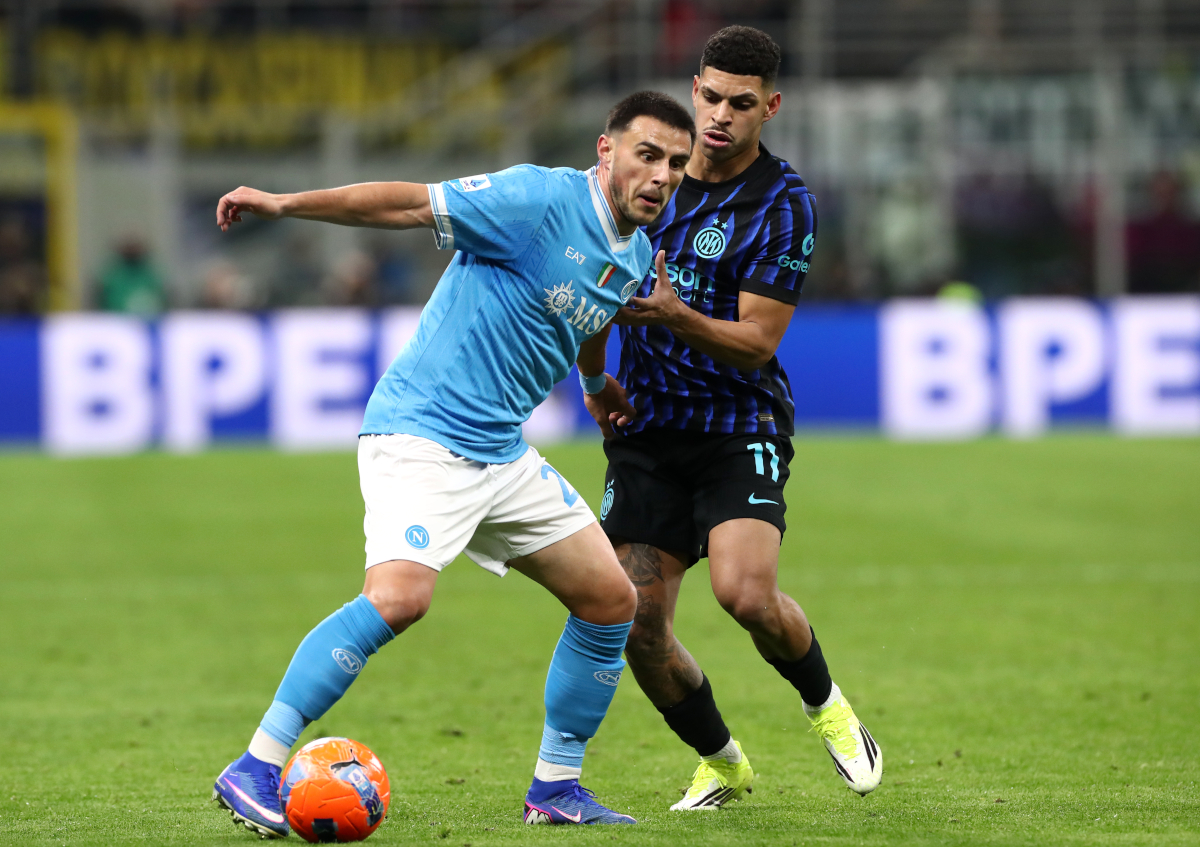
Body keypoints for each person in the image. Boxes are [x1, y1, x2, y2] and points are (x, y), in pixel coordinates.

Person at [209, 91, 695, 837]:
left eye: (676, 163)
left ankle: (556, 787)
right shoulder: (536, 199)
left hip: (499, 451)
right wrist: (283, 202)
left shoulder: (633, 251)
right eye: (648, 154)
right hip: (423, 432)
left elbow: (600, 308)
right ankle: (256, 763)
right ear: (606, 150)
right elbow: (404, 205)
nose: (662, 174)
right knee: (401, 598)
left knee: (610, 598)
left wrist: (595, 385)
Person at [580, 26, 883, 811]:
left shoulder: (785, 205)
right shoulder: (651, 178)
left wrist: (677, 316)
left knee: (745, 594)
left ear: (770, 107)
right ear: (693, 89)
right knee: (635, 623)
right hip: (646, 430)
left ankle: (830, 708)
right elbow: (596, 278)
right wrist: (595, 376)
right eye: (709, 97)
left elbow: (756, 343)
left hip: (737, 424)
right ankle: (720, 759)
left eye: (740, 104)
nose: (718, 116)